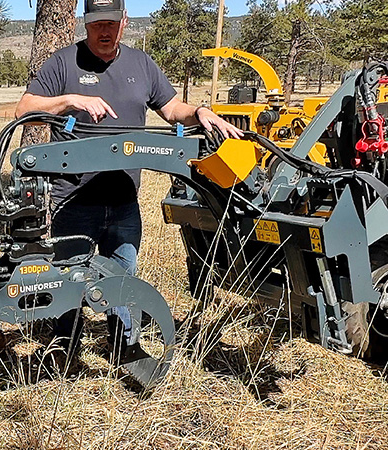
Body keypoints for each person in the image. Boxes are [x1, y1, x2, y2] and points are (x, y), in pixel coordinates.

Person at [14, 0, 242, 360]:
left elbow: (171, 109)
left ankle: (125, 345)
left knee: (123, 276)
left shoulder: (142, 65)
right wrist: (71, 100)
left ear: (123, 23)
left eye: (111, 24)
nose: (103, 32)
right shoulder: (62, 63)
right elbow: (24, 111)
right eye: (95, 25)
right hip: (73, 201)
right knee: (68, 279)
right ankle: (63, 347)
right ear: (84, 24)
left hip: (123, 202)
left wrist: (198, 112)